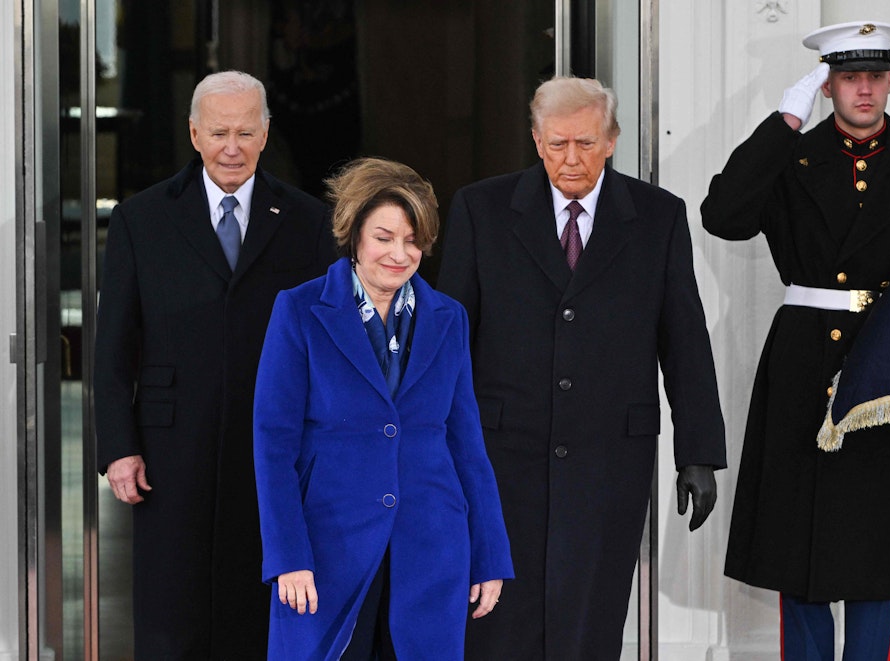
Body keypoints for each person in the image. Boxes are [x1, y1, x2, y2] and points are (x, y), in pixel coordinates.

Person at [700, 21, 890, 659]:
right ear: (827, 85)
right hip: (803, 368)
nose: (866, 89)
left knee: (878, 553)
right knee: (803, 552)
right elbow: (723, 216)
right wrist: (782, 125)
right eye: (850, 77)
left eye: (876, 75)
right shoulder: (789, 160)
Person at [437, 76, 727, 660]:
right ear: (537, 141)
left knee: (590, 620)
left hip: (608, 457)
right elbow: (450, 340)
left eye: (587, 144)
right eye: (558, 144)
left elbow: (685, 339)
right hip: (501, 453)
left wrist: (697, 452)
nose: (572, 159)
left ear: (613, 140)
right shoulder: (481, 209)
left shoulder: (657, 217)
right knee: (498, 617)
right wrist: (436, 448)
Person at [94, 70, 336, 659]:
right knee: (170, 602)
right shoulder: (141, 218)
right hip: (170, 442)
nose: (233, 146)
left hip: (272, 440)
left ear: (266, 134)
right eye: (220, 132)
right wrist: (118, 446)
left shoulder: (307, 219)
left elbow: (327, 339)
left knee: (256, 593)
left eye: (246, 132)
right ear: (194, 134)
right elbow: (113, 344)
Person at [253, 157, 514, 660]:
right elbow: (272, 444)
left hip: (432, 546)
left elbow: (467, 445)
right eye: (384, 237)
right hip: (329, 546)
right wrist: (288, 556)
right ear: (354, 236)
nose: (400, 253)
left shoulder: (448, 318)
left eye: (413, 240)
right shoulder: (300, 311)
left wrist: (490, 554)